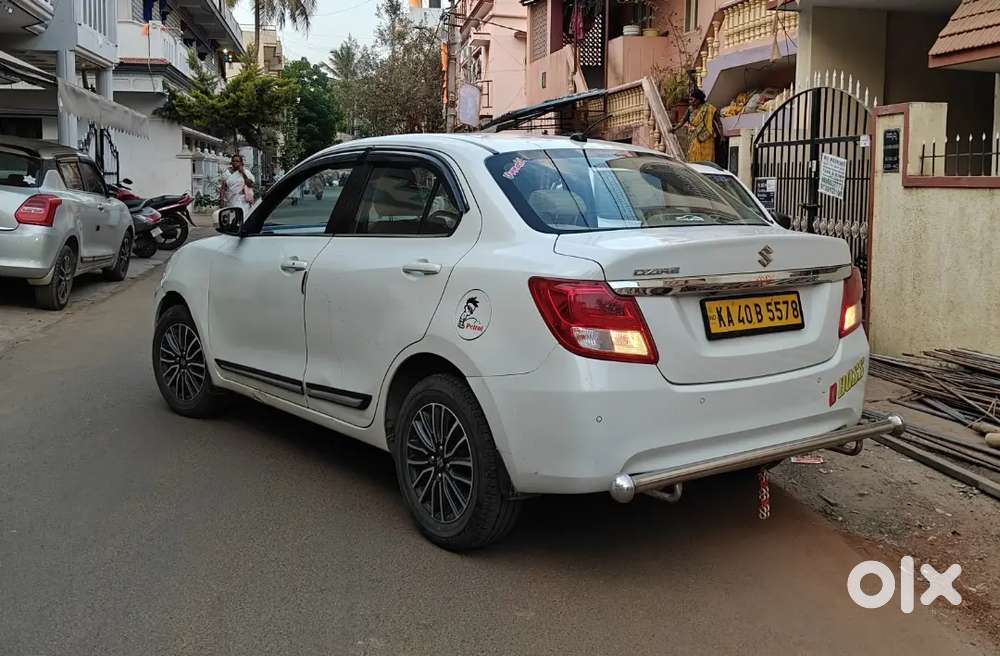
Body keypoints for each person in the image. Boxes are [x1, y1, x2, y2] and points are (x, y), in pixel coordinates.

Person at [675, 89, 720, 163]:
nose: (690, 101)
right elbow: (683, 120)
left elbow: (718, 122)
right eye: (690, 100)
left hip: (707, 138)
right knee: (693, 155)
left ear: (698, 100)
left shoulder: (709, 108)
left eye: (692, 99)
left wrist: (721, 135)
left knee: (707, 159)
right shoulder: (690, 109)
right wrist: (674, 128)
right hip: (694, 137)